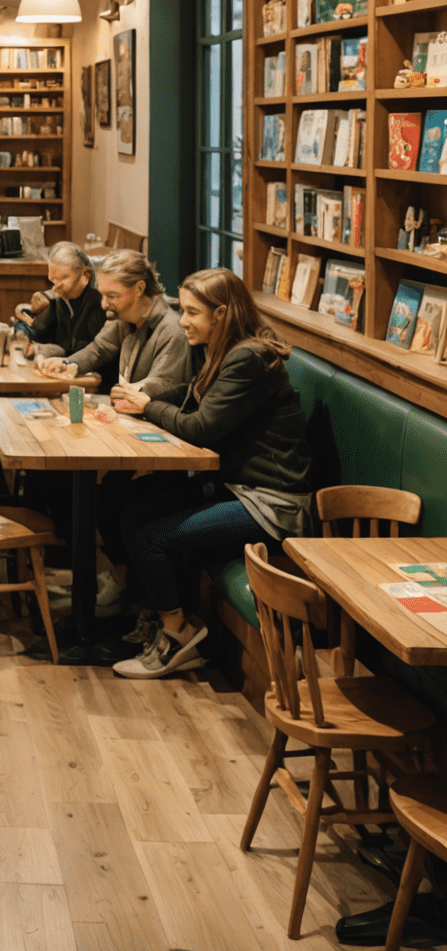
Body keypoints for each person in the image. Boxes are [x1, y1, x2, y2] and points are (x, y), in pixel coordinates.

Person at [109, 268, 314, 679]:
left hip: (271, 502)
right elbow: (192, 396)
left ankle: (177, 636)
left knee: (152, 536)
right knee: (132, 505)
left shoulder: (248, 358)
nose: (182, 320)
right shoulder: (226, 349)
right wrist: (144, 397)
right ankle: (158, 614)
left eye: (191, 312)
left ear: (220, 314)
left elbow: (202, 427)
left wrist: (146, 406)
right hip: (236, 486)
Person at [35, 249, 191, 398]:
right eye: (102, 295)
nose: (103, 305)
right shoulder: (124, 318)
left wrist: (129, 392)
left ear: (139, 288)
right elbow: (98, 349)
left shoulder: (172, 329)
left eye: (112, 296)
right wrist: (68, 363)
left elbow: (166, 384)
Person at [15, 242, 107, 360]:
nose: (55, 288)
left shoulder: (98, 304)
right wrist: (22, 325)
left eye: (63, 278)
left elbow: (85, 351)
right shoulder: (62, 299)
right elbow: (37, 331)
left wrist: (54, 350)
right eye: (53, 280)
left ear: (86, 276)